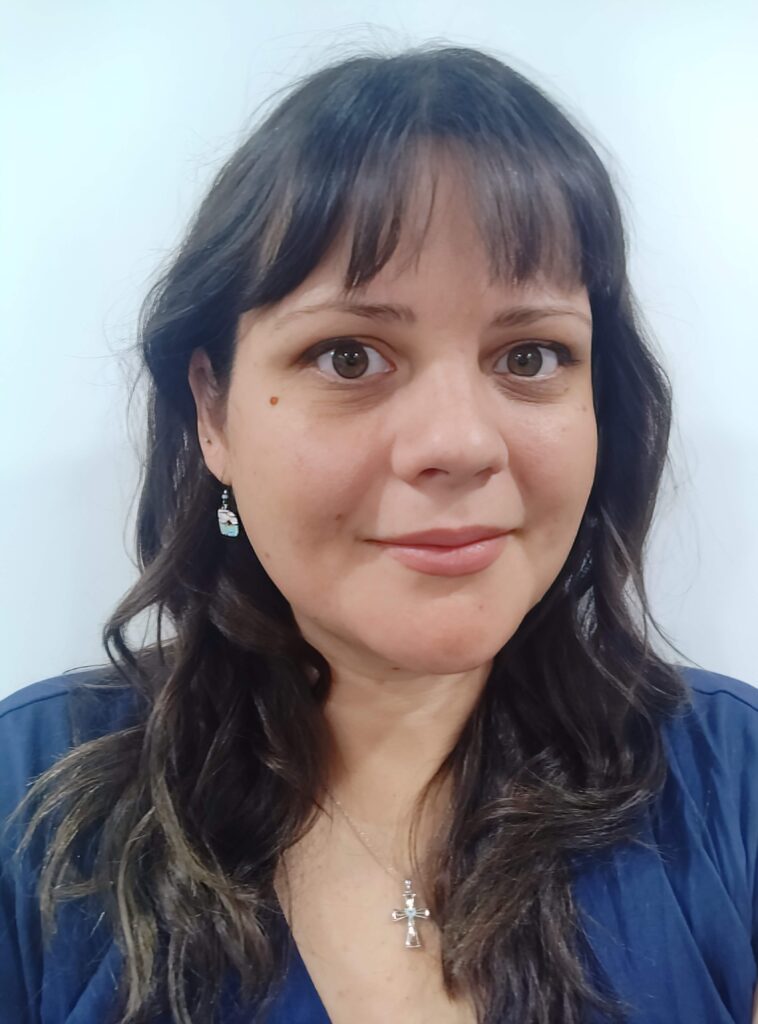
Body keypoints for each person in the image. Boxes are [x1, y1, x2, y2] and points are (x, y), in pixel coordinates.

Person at [1, 43, 756, 1024]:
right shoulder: (29, 799)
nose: (458, 443)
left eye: (530, 355)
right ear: (213, 412)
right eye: (349, 355)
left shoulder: (732, 785)